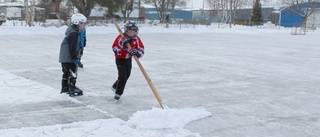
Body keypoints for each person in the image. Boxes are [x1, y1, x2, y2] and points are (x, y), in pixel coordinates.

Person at [111, 21, 145, 100]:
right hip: (120, 59)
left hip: (128, 59)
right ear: (126, 30)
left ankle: (115, 86)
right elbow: (115, 48)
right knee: (122, 77)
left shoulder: (136, 39)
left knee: (127, 75)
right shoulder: (121, 37)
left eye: (133, 31)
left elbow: (141, 49)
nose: (131, 33)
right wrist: (123, 46)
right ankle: (118, 93)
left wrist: (137, 53)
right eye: (130, 31)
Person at [59, 13, 87, 97]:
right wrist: (75, 58)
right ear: (77, 23)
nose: (83, 25)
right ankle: (71, 87)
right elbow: (72, 48)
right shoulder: (73, 34)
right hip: (68, 57)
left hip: (65, 57)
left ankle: (65, 88)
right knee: (72, 73)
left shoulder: (74, 31)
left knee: (66, 73)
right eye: (82, 23)